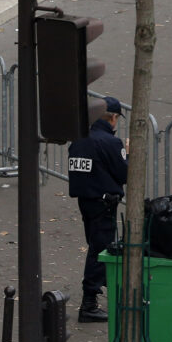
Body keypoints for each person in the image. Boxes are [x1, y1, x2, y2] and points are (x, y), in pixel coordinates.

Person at [68, 96, 128, 324]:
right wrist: (129, 155)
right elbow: (124, 174)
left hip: (86, 201)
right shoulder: (111, 143)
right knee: (99, 251)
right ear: (112, 117)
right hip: (104, 203)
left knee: (96, 247)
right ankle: (89, 303)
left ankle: (97, 293)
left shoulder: (79, 139)